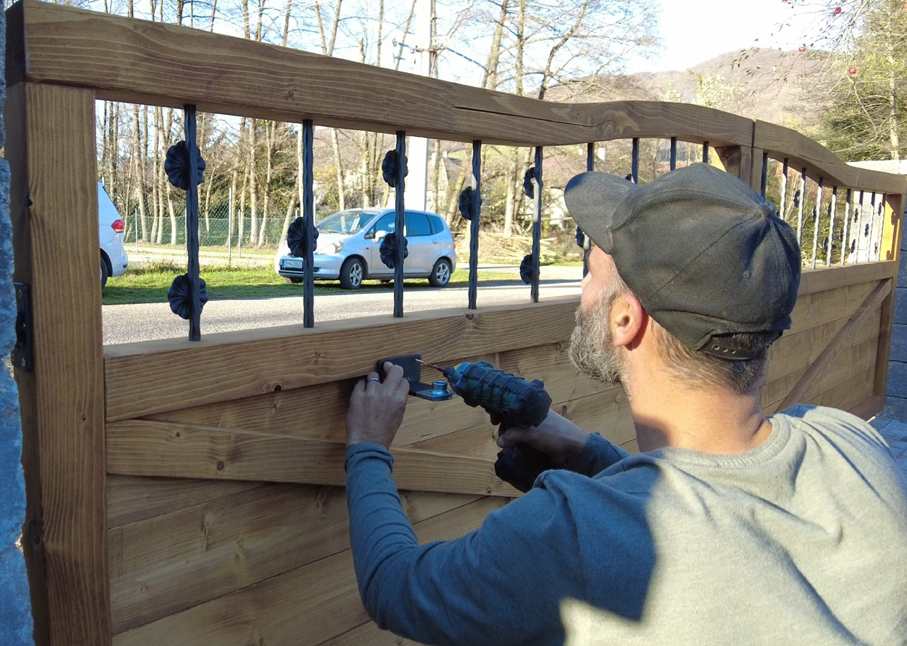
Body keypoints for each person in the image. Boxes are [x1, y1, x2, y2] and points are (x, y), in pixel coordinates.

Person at [344, 163, 907, 645]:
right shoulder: (850, 441)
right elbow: (724, 512)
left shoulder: (572, 531)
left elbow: (396, 587)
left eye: (590, 273)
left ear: (625, 319)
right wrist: (589, 452)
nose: (580, 291)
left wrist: (368, 447)